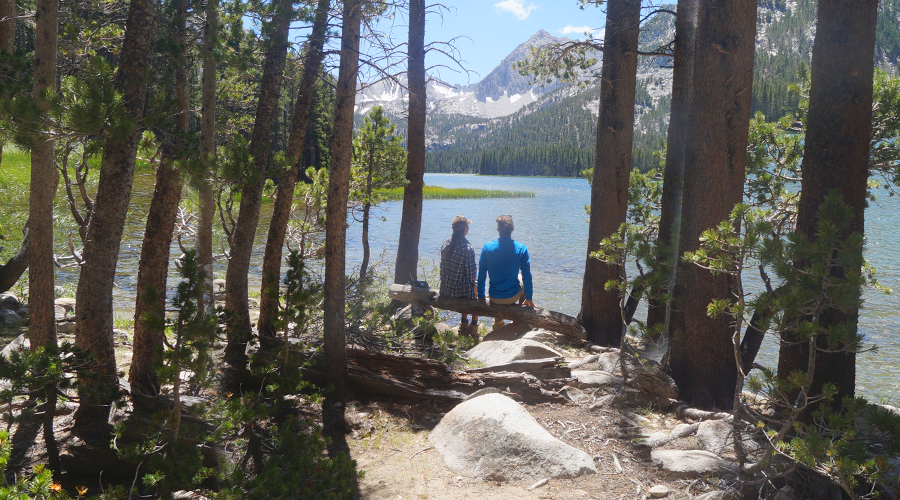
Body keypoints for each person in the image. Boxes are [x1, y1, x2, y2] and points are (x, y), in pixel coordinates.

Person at [477, 215, 535, 314]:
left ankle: (498, 323)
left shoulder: (487, 248)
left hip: (494, 297)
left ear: (497, 228)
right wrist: (529, 297)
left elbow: (481, 275)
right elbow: (527, 275)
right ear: (513, 228)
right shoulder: (521, 248)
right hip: (512, 297)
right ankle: (521, 315)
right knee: (522, 276)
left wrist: (481, 295)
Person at [439, 215, 479, 338]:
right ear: (465, 229)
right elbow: (472, 276)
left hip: (445, 290)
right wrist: (477, 285)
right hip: (458, 293)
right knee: (477, 288)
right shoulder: (467, 248)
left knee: (466, 283)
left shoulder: (446, 244)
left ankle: (463, 324)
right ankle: (473, 326)